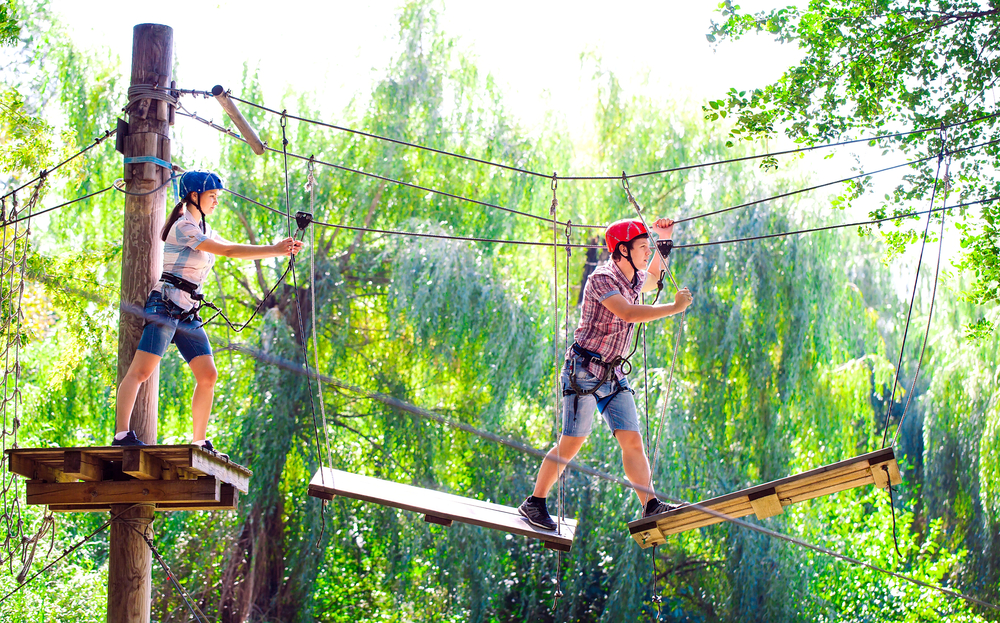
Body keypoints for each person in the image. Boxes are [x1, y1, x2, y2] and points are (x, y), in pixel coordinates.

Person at [518, 217, 693, 530]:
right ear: (622, 250)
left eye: (647, 248)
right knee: (571, 443)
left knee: (632, 440)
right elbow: (628, 312)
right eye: (642, 248)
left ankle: (650, 505)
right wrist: (674, 308)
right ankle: (535, 502)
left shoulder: (634, 277)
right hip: (583, 372)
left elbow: (654, 275)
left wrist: (664, 238)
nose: (646, 253)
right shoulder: (602, 278)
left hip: (612, 374)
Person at [112, 170, 304, 455]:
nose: (216, 201)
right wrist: (275, 250)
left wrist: (278, 250)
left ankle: (199, 442)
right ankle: (121, 435)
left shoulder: (202, 228)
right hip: (165, 305)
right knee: (141, 371)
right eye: (212, 196)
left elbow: (230, 247)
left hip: (187, 310)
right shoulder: (183, 227)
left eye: (217, 197)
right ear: (194, 196)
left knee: (208, 375)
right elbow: (229, 252)